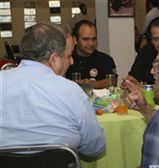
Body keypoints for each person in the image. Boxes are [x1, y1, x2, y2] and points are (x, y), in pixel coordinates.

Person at [0, 22, 105, 157]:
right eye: (68, 56)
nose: (72, 62)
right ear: (54, 59)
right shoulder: (71, 91)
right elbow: (95, 148)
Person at [65, 20, 117, 89]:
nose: (91, 43)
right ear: (75, 40)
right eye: (86, 39)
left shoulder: (106, 59)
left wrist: (93, 84)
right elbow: (57, 80)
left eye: (94, 39)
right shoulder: (66, 59)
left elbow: (112, 81)